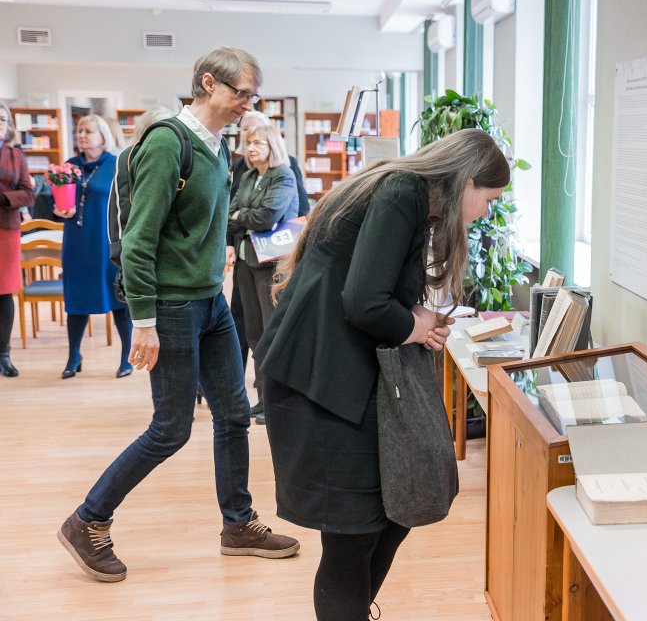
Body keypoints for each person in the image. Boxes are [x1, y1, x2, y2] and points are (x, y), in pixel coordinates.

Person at [58, 46, 299, 584]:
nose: (248, 105)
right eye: (242, 94)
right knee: (170, 429)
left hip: (210, 300)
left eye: (252, 96)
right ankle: (88, 520)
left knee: (234, 414)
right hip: (169, 306)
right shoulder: (170, 143)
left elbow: (201, 223)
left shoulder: (216, 148)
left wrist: (217, 254)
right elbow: (139, 241)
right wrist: (142, 320)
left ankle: (238, 525)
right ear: (209, 84)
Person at [255, 127, 510, 620]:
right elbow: (364, 302)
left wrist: (417, 320)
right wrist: (416, 326)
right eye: (488, 198)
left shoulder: (404, 191)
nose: (485, 212)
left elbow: (372, 288)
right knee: (354, 538)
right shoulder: (403, 192)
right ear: (467, 179)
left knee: (387, 518)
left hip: (338, 373)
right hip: (321, 382)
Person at [228, 111, 309, 386]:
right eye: (248, 143)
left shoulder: (283, 174)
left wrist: (242, 215)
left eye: (258, 143)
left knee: (271, 330)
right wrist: (241, 215)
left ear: (272, 146)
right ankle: (263, 397)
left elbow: (267, 217)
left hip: (272, 262)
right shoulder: (250, 177)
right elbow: (231, 212)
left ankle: (275, 399)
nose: (250, 148)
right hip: (245, 260)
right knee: (253, 333)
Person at [53, 114, 134, 379]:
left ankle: (126, 358)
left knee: (118, 300)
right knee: (76, 301)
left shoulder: (116, 164)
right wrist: (58, 211)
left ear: (103, 136)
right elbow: (57, 203)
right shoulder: (69, 166)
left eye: (88, 131)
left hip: (106, 242)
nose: (82, 135)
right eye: (79, 131)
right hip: (76, 244)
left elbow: (127, 204)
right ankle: (73, 356)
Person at [0, 103, 36, 378]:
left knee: (4, 293)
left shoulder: (15, 156)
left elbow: (27, 193)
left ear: (8, 124)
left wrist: (4, 199)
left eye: (2, 119)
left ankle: (4, 354)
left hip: (5, 229)